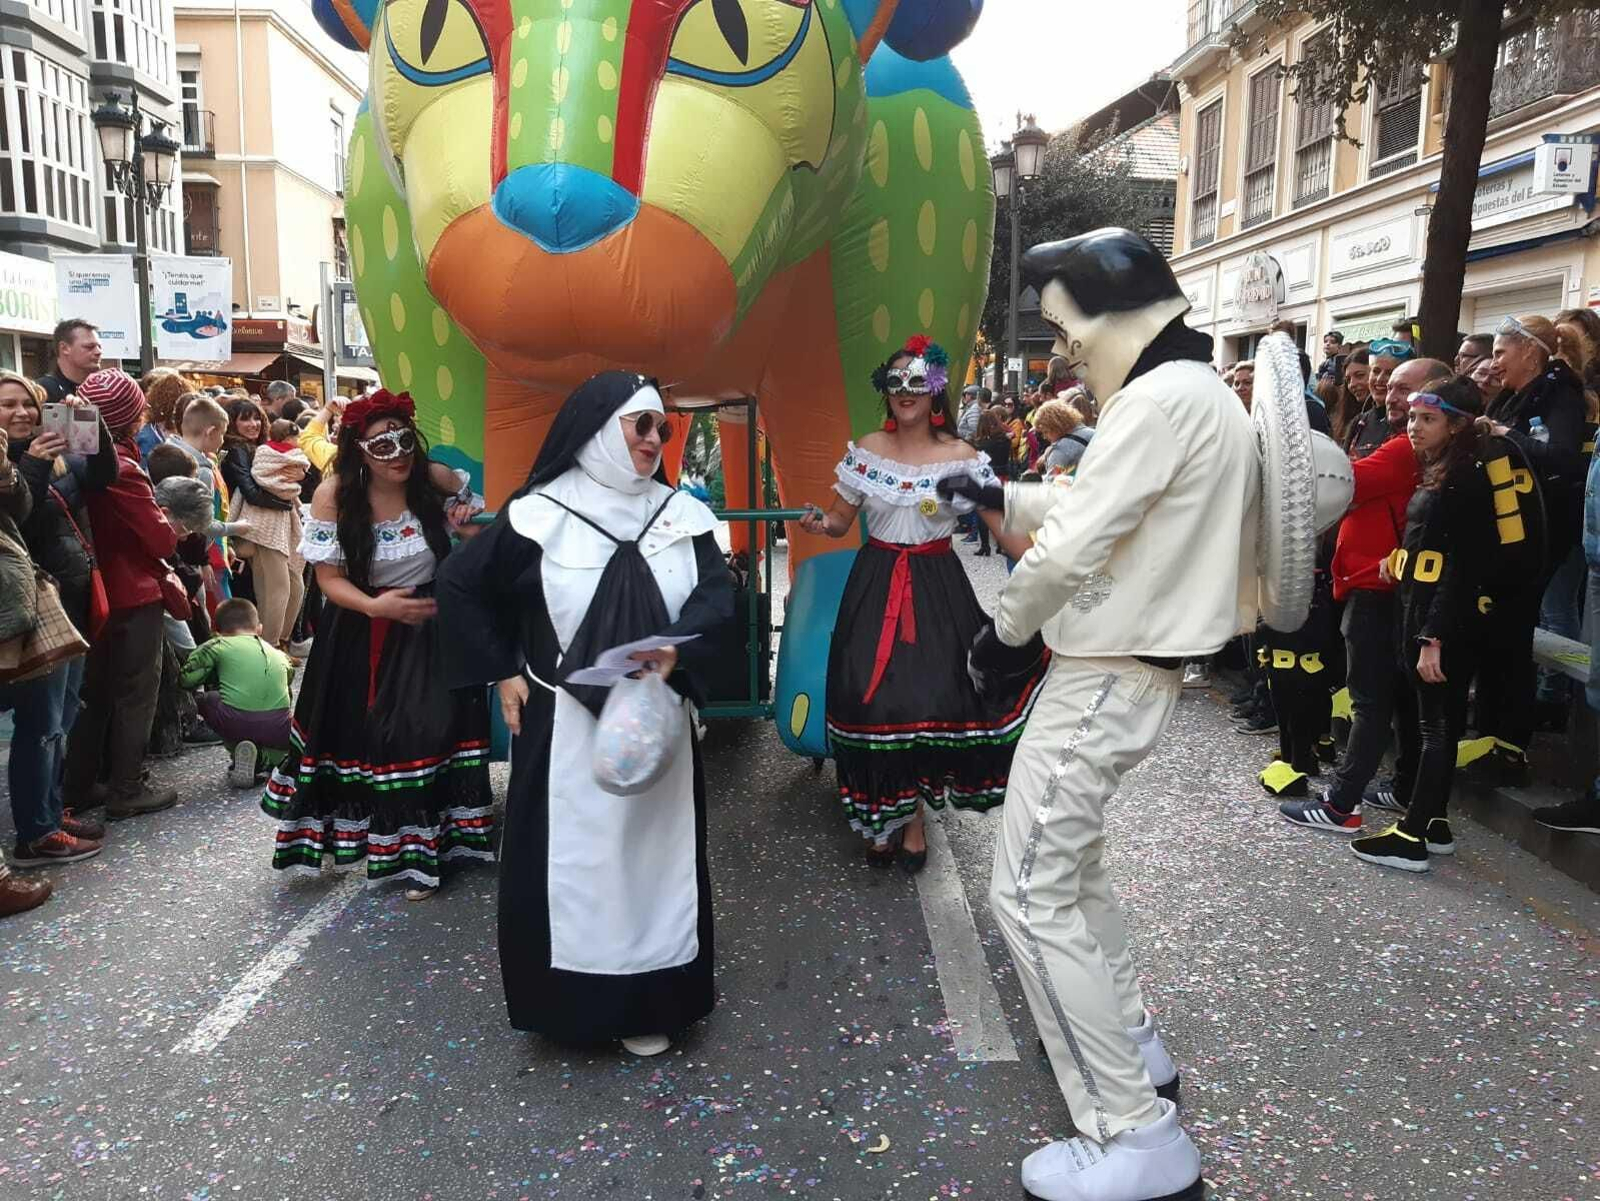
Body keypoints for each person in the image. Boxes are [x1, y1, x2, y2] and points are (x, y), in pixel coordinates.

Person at [948, 229, 1310, 1201]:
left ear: (1119, 312)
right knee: (1075, 872)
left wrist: (1002, 632)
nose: (1065, 351)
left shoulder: (1155, 402)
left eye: (1069, 329)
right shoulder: (1188, 396)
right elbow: (1100, 507)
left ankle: (1128, 1129)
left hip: (1104, 667)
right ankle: (1131, 1045)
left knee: (1027, 889)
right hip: (1133, 668)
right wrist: (1001, 495)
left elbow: (1074, 546)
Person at [437, 371, 734, 1055]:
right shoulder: (540, 512)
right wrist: (504, 668)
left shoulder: (681, 514)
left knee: (654, 862)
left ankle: (650, 997)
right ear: (602, 428)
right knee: (580, 864)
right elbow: (461, 584)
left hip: (657, 724)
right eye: (641, 425)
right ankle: (572, 1004)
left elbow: (717, 600)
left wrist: (674, 649)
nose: (655, 439)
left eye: (662, 427)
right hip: (564, 727)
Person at [800, 335, 1046, 873]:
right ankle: (879, 818)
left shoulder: (959, 459)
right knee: (869, 702)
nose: (905, 393)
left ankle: (911, 820)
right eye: (896, 384)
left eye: (917, 382)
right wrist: (822, 521)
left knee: (928, 703)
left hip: (936, 589)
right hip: (875, 586)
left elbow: (1003, 530)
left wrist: (1049, 577)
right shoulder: (868, 450)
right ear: (885, 394)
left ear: (934, 391)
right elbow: (842, 520)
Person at [262, 388, 492, 901]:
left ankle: (425, 852)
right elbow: (328, 578)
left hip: (429, 623)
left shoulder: (434, 480)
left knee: (424, 731)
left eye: (404, 441)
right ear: (358, 451)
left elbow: (478, 535)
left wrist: (464, 527)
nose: (398, 455)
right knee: (371, 738)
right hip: (363, 628)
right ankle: (401, 846)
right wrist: (373, 607)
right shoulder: (336, 494)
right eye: (381, 447)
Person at [1280, 358, 1451, 834]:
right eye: (1393, 391)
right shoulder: (1406, 445)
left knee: (1369, 701)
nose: (1394, 399)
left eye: (1409, 395)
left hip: (1378, 590)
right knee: (1394, 702)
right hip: (1384, 588)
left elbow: (1338, 487)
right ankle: (1404, 790)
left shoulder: (1401, 451)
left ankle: (1342, 804)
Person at [1351, 377, 1498, 872]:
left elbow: (1463, 564)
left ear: (1456, 424)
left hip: (1441, 622)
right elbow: (1431, 546)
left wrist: (1433, 638)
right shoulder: (1442, 469)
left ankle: (1411, 836)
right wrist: (1400, 559)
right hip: (1422, 609)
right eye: (1413, 417)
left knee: (1437, 729)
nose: (1414, 427)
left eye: (1427, 419)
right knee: (1434, 724)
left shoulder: (1464, 478)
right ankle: (1433, 822)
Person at [0, 370, 116, 863]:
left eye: (28, 404)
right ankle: (37, 831)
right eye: (8, 405)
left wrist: (95, 423)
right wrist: (31, 463)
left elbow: (103, 474)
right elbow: (18, 515)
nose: (22, 413)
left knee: (62, 717)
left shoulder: (55, 454)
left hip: (66, 600)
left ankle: (50, 809)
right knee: (40, 722)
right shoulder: (12, 464)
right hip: (31, 608)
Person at [1468, 314, 1588, 785]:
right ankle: (1488, 737)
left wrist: (1505, 436)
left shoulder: (1561, 395)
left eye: (1500, 353)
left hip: (1539, 538)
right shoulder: (1518, 394)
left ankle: (1508, 748)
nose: (1493, 363)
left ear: (1531, 352)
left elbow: (1559, 458)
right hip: (1506, 535)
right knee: (1495, 639)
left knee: (1513, 642)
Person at [61, 370, 181, 821]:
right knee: (135, 691)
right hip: (130, 590)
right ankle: (126, 786)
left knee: (93, 692)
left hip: (88, 590)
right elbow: (159, 539)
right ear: (131, 418)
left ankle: (79, 782)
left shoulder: (70, 457)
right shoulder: (125, 469)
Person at [180, 598, 295, 787]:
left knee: (207, 699)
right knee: (281, 695)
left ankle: (237, 752)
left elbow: (186, 679)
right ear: (259, 629)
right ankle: (269, 758)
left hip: (235, 720)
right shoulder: (279, 654)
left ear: (215, 631)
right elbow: (288, 680)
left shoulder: (217, 645)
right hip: (280, 727)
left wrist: (212, 674)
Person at [231, 421, 309, 647]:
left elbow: (296, 474)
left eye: (256, 418)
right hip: (263, 526)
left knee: (291, 586)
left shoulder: (259, 451)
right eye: (245, 418)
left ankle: (278, 641)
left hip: (279, 524)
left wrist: (291, 478)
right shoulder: (254, 452)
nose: (253, 424)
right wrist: (290, 478)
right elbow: (264, 479)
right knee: (277, 590)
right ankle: (271, 645)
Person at [1347, 340, 1413, 459]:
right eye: (1376, 371)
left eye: (1389, 373)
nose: (1380, 379)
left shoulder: (1408, 421)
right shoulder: (1358, 423)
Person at [973, 406, 1014, 557]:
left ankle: (985, 545)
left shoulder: (979, 444)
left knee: (983, 512)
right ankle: (1001, 544)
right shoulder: (1005, 440)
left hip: (986, 479)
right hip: (1003, 476)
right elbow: (1010, 432)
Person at [36, 319, 102, 404]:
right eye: (89, 347)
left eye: (99, 347)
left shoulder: (105, 389)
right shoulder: (42, 391)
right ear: (64, 348)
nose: (98, 352)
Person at [1034, 396, 1093, 476]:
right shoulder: (1094, 433)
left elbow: (1053, 484)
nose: (1045, 437)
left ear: (1054, 426)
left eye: (1045, 432)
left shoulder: (1060, 451)